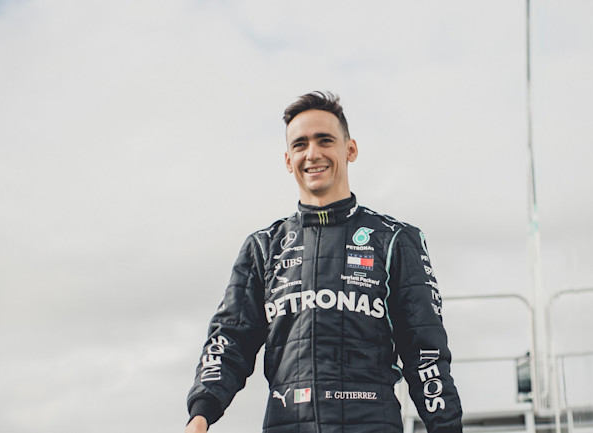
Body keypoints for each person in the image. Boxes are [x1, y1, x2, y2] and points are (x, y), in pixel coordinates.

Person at [184, 91, 463, 433]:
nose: (312, 153)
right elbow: (229, 340)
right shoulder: (263, 247)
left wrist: (445, 426)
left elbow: (426, 351)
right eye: (300, 144)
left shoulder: (394, 239)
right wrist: (201, 413)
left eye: (325, 140)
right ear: (288, 160)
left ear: (350, 149)